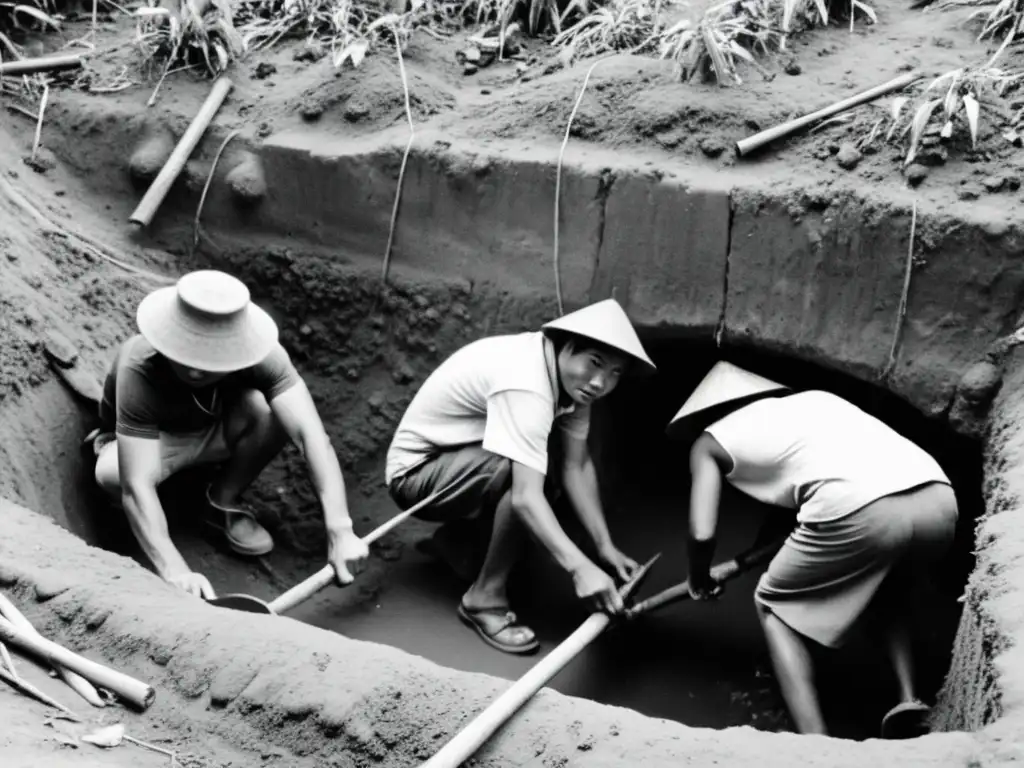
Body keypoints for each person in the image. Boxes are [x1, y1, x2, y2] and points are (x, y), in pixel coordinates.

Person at [666, 361, 958, 738]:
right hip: (938, 500)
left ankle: (814, 745)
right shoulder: (814, 403)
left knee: (773, 607)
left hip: (863, 512)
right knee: (888, 588)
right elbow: (797, 512)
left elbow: (702, 532)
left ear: (706, 414)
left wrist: (698, 577)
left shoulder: (708, 442)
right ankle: (908, 700)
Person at [385, 298, 656, 655]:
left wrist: (604, 547)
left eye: (615, 373)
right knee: (525, 474)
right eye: (594, 363)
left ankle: (462, 545)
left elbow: (577, 466)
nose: (599, 382)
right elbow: (526, 495)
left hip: (463, 463)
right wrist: (580, 569)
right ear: (566, 346)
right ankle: (483, 600)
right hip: (417, 477)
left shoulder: (570, 384)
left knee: (542, 463)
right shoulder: (527, 383)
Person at [90, 270, 369, 599]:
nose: (195, 370)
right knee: (113, 474)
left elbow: (311, 435)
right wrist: (176, 572)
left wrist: (340, 528)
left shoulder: (264, 356)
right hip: (150, 444)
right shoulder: (139, 365)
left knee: (273, 410)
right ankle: (145, 523)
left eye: (210, 360)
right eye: (186, 353)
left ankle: (219, 503)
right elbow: (135, 484)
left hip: (214, 428)